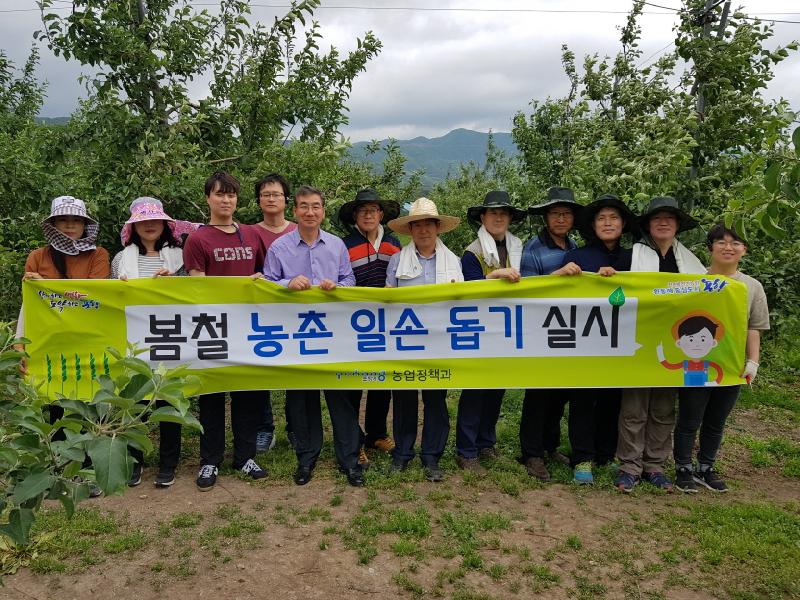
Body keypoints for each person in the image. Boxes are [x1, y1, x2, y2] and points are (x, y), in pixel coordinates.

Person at [264, 185, 364, 487]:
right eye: (304, 206)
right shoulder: (279, 247)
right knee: (302, 399)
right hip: (297, 336)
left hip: (333, 334)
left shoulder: (336, 245)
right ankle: (306, 458)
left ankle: (350, 460)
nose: (310, 212)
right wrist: (287, 283)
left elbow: (349, 278)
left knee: (341, 397)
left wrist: (338, 286)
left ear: (323, 211)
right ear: (295, 210)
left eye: (316, 206)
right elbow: (266, 283)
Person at [20, 195, 110, 497]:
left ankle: (89, 473)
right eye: (63, 220)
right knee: (56, 406)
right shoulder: (37, 257)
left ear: (85, 225)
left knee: (88, 405)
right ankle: (60, 474)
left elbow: (95, 294)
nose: (70, 226)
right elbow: (30, 303)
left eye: (76, 220)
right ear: (54, 224)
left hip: (88, 341)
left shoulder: (98, 255)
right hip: (51, 344)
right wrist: (20, 345)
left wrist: (51, 289)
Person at [183, 172, 268, 491]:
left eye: (231, 194)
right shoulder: (198, 239)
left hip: (247, 327)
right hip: (212, 327)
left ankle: (245, 456)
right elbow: (198, 286)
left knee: (248, 395)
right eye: (220, 194)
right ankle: (210, 460)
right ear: (208, 198)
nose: (226, 200)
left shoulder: (251, 234)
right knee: (211, 397)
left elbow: (263, 274)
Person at [614, 196, 705, 493]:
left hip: (675, 344)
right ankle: (629, 466)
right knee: (634, 406)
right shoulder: (631, 256)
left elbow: (709, 296)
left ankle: (654, 464)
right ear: (648, 225)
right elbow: (611, 289)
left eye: (669, 218)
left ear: (677, 225)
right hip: (638, 341)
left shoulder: (691, 263)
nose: (663, 223)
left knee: (664, 408)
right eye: (657, 218)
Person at [673, 223, 769, 493]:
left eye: (735, 243)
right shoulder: (693, 282)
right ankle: (683, 468)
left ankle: (706, 467)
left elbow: (753, 327)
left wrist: (753, 361)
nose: (728, 248)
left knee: (716, 420)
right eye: (721, 242)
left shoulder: (752, 287)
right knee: (690, 417)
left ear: (744, 250)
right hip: (696, 365)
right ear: (710, 249)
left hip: (731, 365)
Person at [557, 193, 638, 485]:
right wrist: (562, 275)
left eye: (613, 218)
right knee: (583, 399)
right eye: (601, 218)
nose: (607, 223)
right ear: (593, 225)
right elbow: (552, 295)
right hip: (584, 341)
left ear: (623, 224)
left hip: (622, 340)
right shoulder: (578, 257)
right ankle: (582, 457)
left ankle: (607, 453)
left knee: (613, 398)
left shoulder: (635, 258)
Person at [112, 197, 191, 488]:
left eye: (155, 220)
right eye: (143, 221)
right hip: (135, 339)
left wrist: (175, 280)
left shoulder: (179, 257)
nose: (149, 225)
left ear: (164, 224)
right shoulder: (120, 259)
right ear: (133, 227)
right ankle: (135, 461)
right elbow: (110, 298)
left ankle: (168, 463)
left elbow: (193, 293)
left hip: (171, 335)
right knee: (136, 401)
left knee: (168, 399)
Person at [385, 197, 463, 482]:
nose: (423, 230)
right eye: (417, 225)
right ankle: (403, 453)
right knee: (404, 398)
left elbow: (462, 301)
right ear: (410, 229)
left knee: (436, 399)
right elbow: (388, 298)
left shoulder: (453, 261)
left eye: (429, 224)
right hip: (406, 340)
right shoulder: (397, 260)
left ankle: (432, 455)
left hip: (440, 341)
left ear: (437, 227)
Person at [455, 191, 525, 473]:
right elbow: (469, 291)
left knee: (496, 389)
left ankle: (486, 442)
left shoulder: (517, 248)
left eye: (503, 213)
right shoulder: (472, 252)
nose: (498, 218)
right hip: (478, 329)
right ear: (482, 218)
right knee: (475, 390)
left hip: (506, 329)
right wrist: (493, 277)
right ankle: (466, 450)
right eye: (493, 213)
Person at [517, 186, 584, 481]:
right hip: (540, 330)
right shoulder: (533, 249)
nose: (560, 219)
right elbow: (527, 290)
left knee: (560, 394)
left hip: (567, 329)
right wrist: (557, 275)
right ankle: (531, 453)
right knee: (538, 394)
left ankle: (549, 446)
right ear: (546, 217)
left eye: (566, 214)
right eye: (555, 213)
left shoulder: (574, 246)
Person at [339, 188, 402, 467]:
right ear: (355, 215)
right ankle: (354, 439)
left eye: (373, 210)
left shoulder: (393, 243)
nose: (368, 215)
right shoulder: (343, 245)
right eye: (363, 210)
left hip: (388, 323)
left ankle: (376, 433)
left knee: (382, 380)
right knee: (354, 381)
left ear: (381, 214)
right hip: (354, 323)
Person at [250, 173, 298, 454]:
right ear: (258, 200)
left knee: (295, 369)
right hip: (261, 312)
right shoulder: (248, 233)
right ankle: (264, 428)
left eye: (276, 194)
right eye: (265, 194)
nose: (271, 199)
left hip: (295, 311)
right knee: (260, 369)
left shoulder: (299, 230)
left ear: (285, 200)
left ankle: (295, 426)